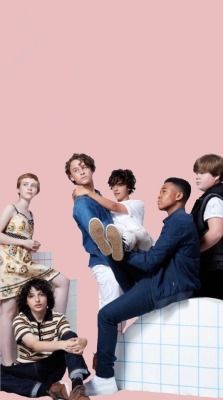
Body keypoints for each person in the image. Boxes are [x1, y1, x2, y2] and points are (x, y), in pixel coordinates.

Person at [84, 177, 200, 396]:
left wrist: (124, 255)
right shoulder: (177, 221)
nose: (158, 195)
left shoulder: (179, 222)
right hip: (164, 279)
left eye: (164, 190)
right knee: (113, 257)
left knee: (106, 316)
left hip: (167, 285)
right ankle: (112, 249)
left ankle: (105, 378)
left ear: (178, 196)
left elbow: (151, 262)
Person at [0, 173, 69, 366]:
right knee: (8, 310)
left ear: (37, 191)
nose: (29, 188)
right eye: (25, 184)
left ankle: (54, 326)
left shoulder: (31, 215)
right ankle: (7, 363)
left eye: (33, 185)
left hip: (25, 264)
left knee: (62, 281)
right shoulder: (11, 208)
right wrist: (25, 242)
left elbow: (24, 241)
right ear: (18, 188)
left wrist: (31, 245)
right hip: (8, 264)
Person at [1, 278, 90, 400]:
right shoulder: (20, 320)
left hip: (53, 368)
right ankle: (50, 389)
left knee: (70, 335)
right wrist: (62, 344)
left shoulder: (58, 318)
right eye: (31, 296)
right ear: (26, 301)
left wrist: (83, 341)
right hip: (29, 371)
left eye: (41, 294)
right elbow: (34, 345)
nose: (37, 300)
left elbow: (69, 336)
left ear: (48, 297)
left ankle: (78, 388)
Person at [65, 153, 120, 308]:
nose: (82, 172)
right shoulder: (81, 203)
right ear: (71, 177)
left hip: (116, 260)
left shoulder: (97, 195)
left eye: (85, 167)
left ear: (91, 169)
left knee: (118, 310)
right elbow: (94, 232)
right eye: (76, 170)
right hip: (103, 262)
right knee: (111, 310)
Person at [73, 169, 153, 259]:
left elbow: (114, 206)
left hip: (142, 243)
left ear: (129, 187)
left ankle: (120, 246)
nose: (115, 189)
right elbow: (99, 205)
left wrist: (88, 192)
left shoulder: (137, 204)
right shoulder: (109, 211)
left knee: (134, 234)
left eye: (119, 185)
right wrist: (79, 197)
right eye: (113, 185)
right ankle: (109, 246)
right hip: (125, 244)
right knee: (115, 231)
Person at [191, 153, 223, 299]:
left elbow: (216, 232)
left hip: (214, 267)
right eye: (196, 172)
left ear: (217, 175)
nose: (197, 176)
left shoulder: (214, 199)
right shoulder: (213, 196)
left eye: (202, 173)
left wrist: (192, 251)